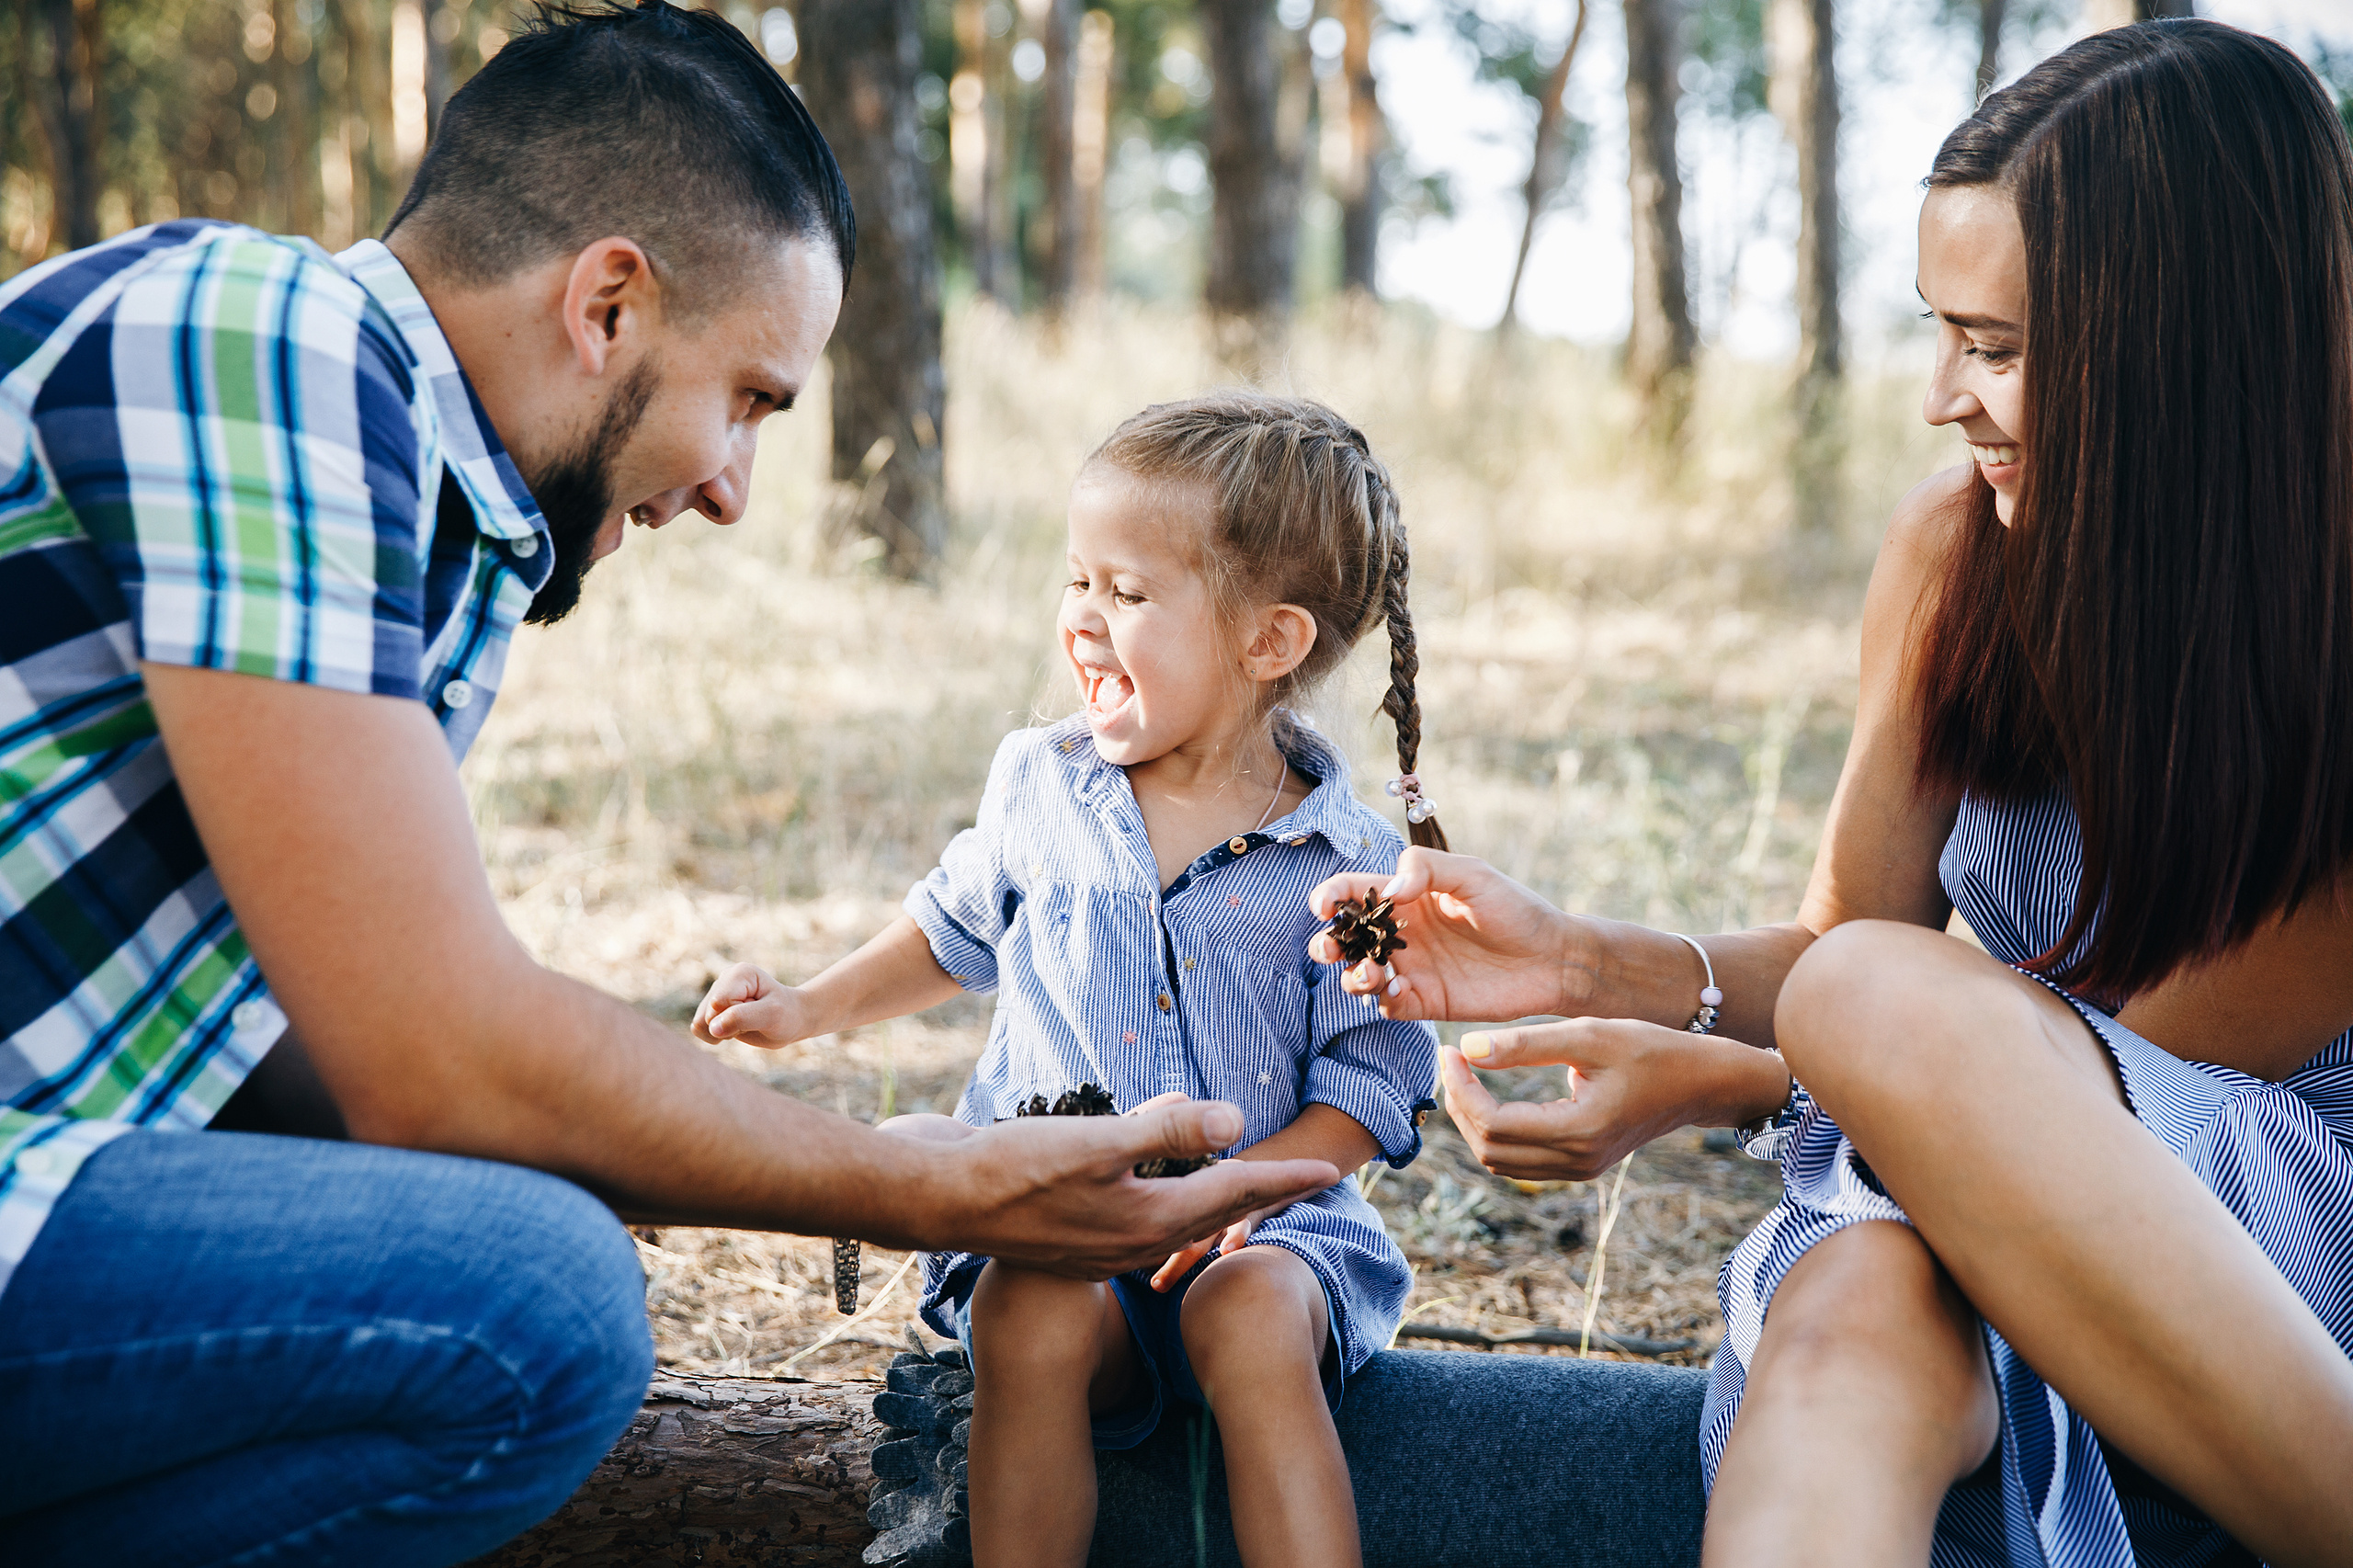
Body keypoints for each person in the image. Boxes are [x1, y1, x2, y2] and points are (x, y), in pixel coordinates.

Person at [0, 6, 1335, 1563]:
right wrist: (928, 1185)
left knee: (548, 1248)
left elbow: (289, 1030)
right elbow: (426, 1052)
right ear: (610, 303)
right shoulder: (266, 341)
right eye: (753, 398)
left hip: (60, 1153)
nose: (728, 487)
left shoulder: (458, 539)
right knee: (537, 1310)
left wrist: (623, 1121)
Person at [1310, 20, 2353, 1568]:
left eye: (1997, 347)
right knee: (1847, 1319)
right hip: (1938, 1158)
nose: (1945, 396)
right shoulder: (1957, 559)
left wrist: (1703, 1072)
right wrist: (1590, 964)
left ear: (2188, 348)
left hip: (2264, 1252)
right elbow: (1864, 971)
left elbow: (2087, 1089)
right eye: (1941, 332)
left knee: (1881, 1023)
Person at [695, 393, 1443, 1568]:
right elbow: (949, 929)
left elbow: (1372, 1085)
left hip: (1261, 1227)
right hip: (1056, 1206)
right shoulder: (1039, 783)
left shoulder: (1346, 866)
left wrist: (1240, 1194)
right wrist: (804, 1008)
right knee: (1022, 1309)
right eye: (1075, 580)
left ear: (1269, 643)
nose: (1083, 621)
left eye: (1129, 593)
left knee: (1246, 1324)